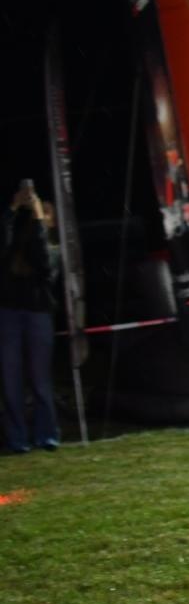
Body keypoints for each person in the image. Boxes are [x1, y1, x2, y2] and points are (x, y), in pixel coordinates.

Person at [0, 180, 60, 453]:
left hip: (38, 313)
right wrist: (14, 208)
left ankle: (46, 434)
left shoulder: (53, 247)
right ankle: (17, 438)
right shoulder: (15, 243)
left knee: (40, 379)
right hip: (9, 312)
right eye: (39, 212)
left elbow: (44, 266)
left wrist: (38, 218)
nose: (42, 217)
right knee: (11, 378)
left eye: (48, 214)